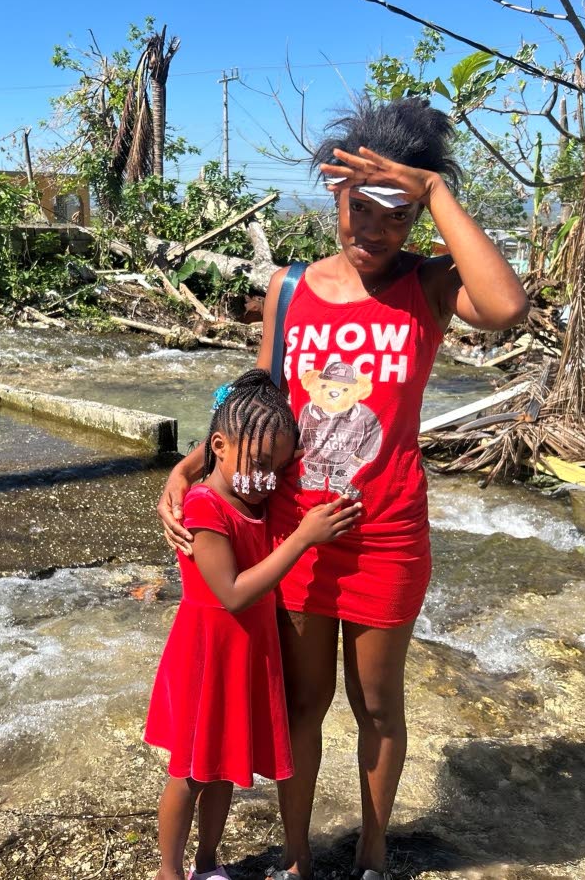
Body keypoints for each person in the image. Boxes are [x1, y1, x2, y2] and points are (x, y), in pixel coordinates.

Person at [157, 97, 529, 880]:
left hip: (387, 536)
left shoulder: (429, 285)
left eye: (397, 214)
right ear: (336, 193)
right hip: (295, 532)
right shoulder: (290, 289)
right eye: (360, 208)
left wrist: (435, 190)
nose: (373, 230)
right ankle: (298, 858)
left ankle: (370, 850)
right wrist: (193, 467)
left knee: (379, 706)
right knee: (302, 704)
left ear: (418, 214)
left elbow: (505, 306)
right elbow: (258, 405)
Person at [145, 369, 363, 880]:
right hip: (207, 657)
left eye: (279, 469)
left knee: (221, 771)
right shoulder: (203, 507)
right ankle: (168, 872)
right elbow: (234, 593)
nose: (270, 480)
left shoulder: (251, 503)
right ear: (218, 447)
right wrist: (303, 538)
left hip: (242, 656)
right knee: (190, 774)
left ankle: (206, 863)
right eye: (261, 464)